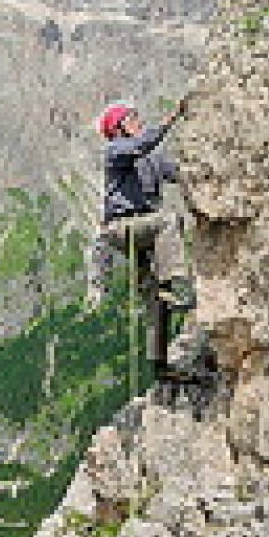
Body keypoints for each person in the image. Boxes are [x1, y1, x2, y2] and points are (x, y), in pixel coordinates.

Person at [88, 98, 195, 382]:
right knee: (168, 221)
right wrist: (170, 119)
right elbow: (142, 145)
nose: (139, 120)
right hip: (123, 226)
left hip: (140, 229)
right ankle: (178, 282)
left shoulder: (150, 159)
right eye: (132, 117)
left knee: (156, 300)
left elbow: (176, 172)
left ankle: (160, 365)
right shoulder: (116, 150)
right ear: (120, 128)